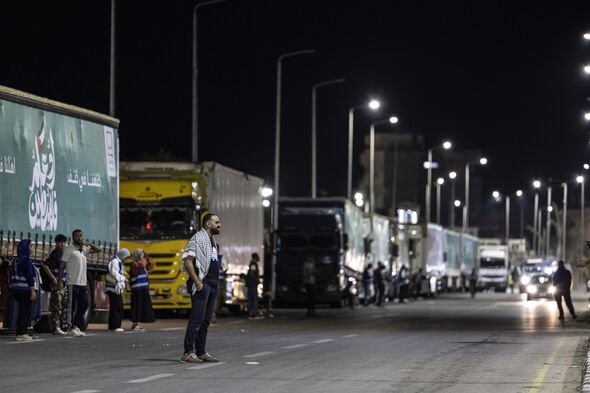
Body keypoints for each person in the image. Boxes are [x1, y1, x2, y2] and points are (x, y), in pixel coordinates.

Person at [181, 213, 221, 363]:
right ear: (208, 224)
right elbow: (188, 262)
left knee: (205, 320)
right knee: (196, 319)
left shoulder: (212, 240)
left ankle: (201, 351)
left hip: (212, 285)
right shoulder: (198, 238)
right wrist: (197, 282)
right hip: (202, 284)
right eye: (217, 222)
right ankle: (187, 351)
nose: (219, 224)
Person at [61, 229, 101, 337]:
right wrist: (60, 280)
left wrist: (88, 243)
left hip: (83, 283)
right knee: (72, 306)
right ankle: (70, 327)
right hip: (72, 282)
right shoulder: (69, 249)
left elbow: (99, 250)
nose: (79, 238)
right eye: (77, 236)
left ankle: (76, 326)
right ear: (73, 237)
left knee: (84, 305)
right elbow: (62, 265)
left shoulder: (84, 250)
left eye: (80, 236)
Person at [41, 234, 68, 335]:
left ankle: (62, 325)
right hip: (57, 284)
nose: (62, 244)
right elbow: (45, 266)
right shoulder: (55, 254)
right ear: (56, 243)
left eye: (64, 242)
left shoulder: (64, 254)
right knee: (56, 305)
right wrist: (53, 279)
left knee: (64, 305)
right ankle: (55, 327)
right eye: (60, 242)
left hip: (64, 283)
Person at [9, 239, 37, 341]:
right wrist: (33, 290)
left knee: (22, 311)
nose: (32, 248)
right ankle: (22, 333)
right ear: (25, 248)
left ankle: (21, 332)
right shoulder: (26, 260)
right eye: (30, 246)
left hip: (15, 289)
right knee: (25, 312)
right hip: (24, 289)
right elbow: (29, 276)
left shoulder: (16, 260)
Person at [130, 248, 156, 331]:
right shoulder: (135, 263)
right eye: (141, 254)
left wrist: (147, 258)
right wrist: (144, 260)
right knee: (137, 307)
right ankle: (135, 323)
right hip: (137, 289)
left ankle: (138, 323)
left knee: (142, 307)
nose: (142, 255)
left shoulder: (142, 262)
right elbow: (142, 265)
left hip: (143, 288)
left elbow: (151, 266)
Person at [106, 248, 129, 332]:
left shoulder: (118, 262)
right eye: (126, 257)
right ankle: (115, 326)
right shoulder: (115, 261)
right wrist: (123, 278)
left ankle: (113, 326)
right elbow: (114, 273)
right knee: (117, 307)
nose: (126, 259)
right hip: (113, 288)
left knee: (116, 307)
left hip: (115, 288)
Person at [246, 253, 261, 319]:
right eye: (257, 256)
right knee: (254, 298)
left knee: (251, 298)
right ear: (255, 257)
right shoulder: (253, 264)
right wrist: (256, 280)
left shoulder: (252, 264)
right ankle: (254, 313)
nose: (259, 258)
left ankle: (251, 312)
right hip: (252, 284)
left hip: (250, 284)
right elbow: (252, 273)